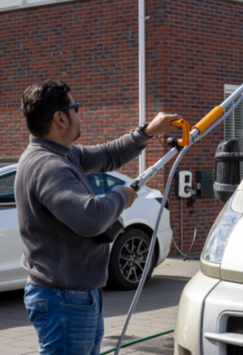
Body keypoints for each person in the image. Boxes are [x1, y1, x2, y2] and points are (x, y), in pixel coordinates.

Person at [15, 79, 181, 355]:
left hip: (75, 295)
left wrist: (147, 132)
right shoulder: (48, 165)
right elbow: (91, 218)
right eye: (75, 108)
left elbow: (107, 155)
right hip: (64, 299)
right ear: (60, 118)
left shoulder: (61, 155)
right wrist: (121, 196)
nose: (79, 115)